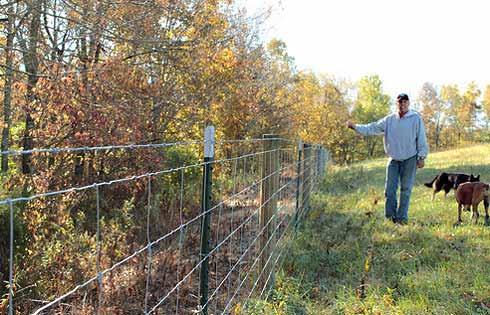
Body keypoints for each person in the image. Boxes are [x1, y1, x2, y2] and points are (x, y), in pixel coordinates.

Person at [346, 93, 429, 224]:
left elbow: (421, 138)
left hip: (410, 158)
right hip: (393, 159)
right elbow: (372, 127)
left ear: (408, 103)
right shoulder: (389, 120)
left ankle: (401, 218)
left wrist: (422, 157)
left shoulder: (415, 119)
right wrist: (355, 127)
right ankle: (390, 217)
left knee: (406, 189)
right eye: (399, 102)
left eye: (404, 102)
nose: (402, 105)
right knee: (390, 190)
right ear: (396, 104)